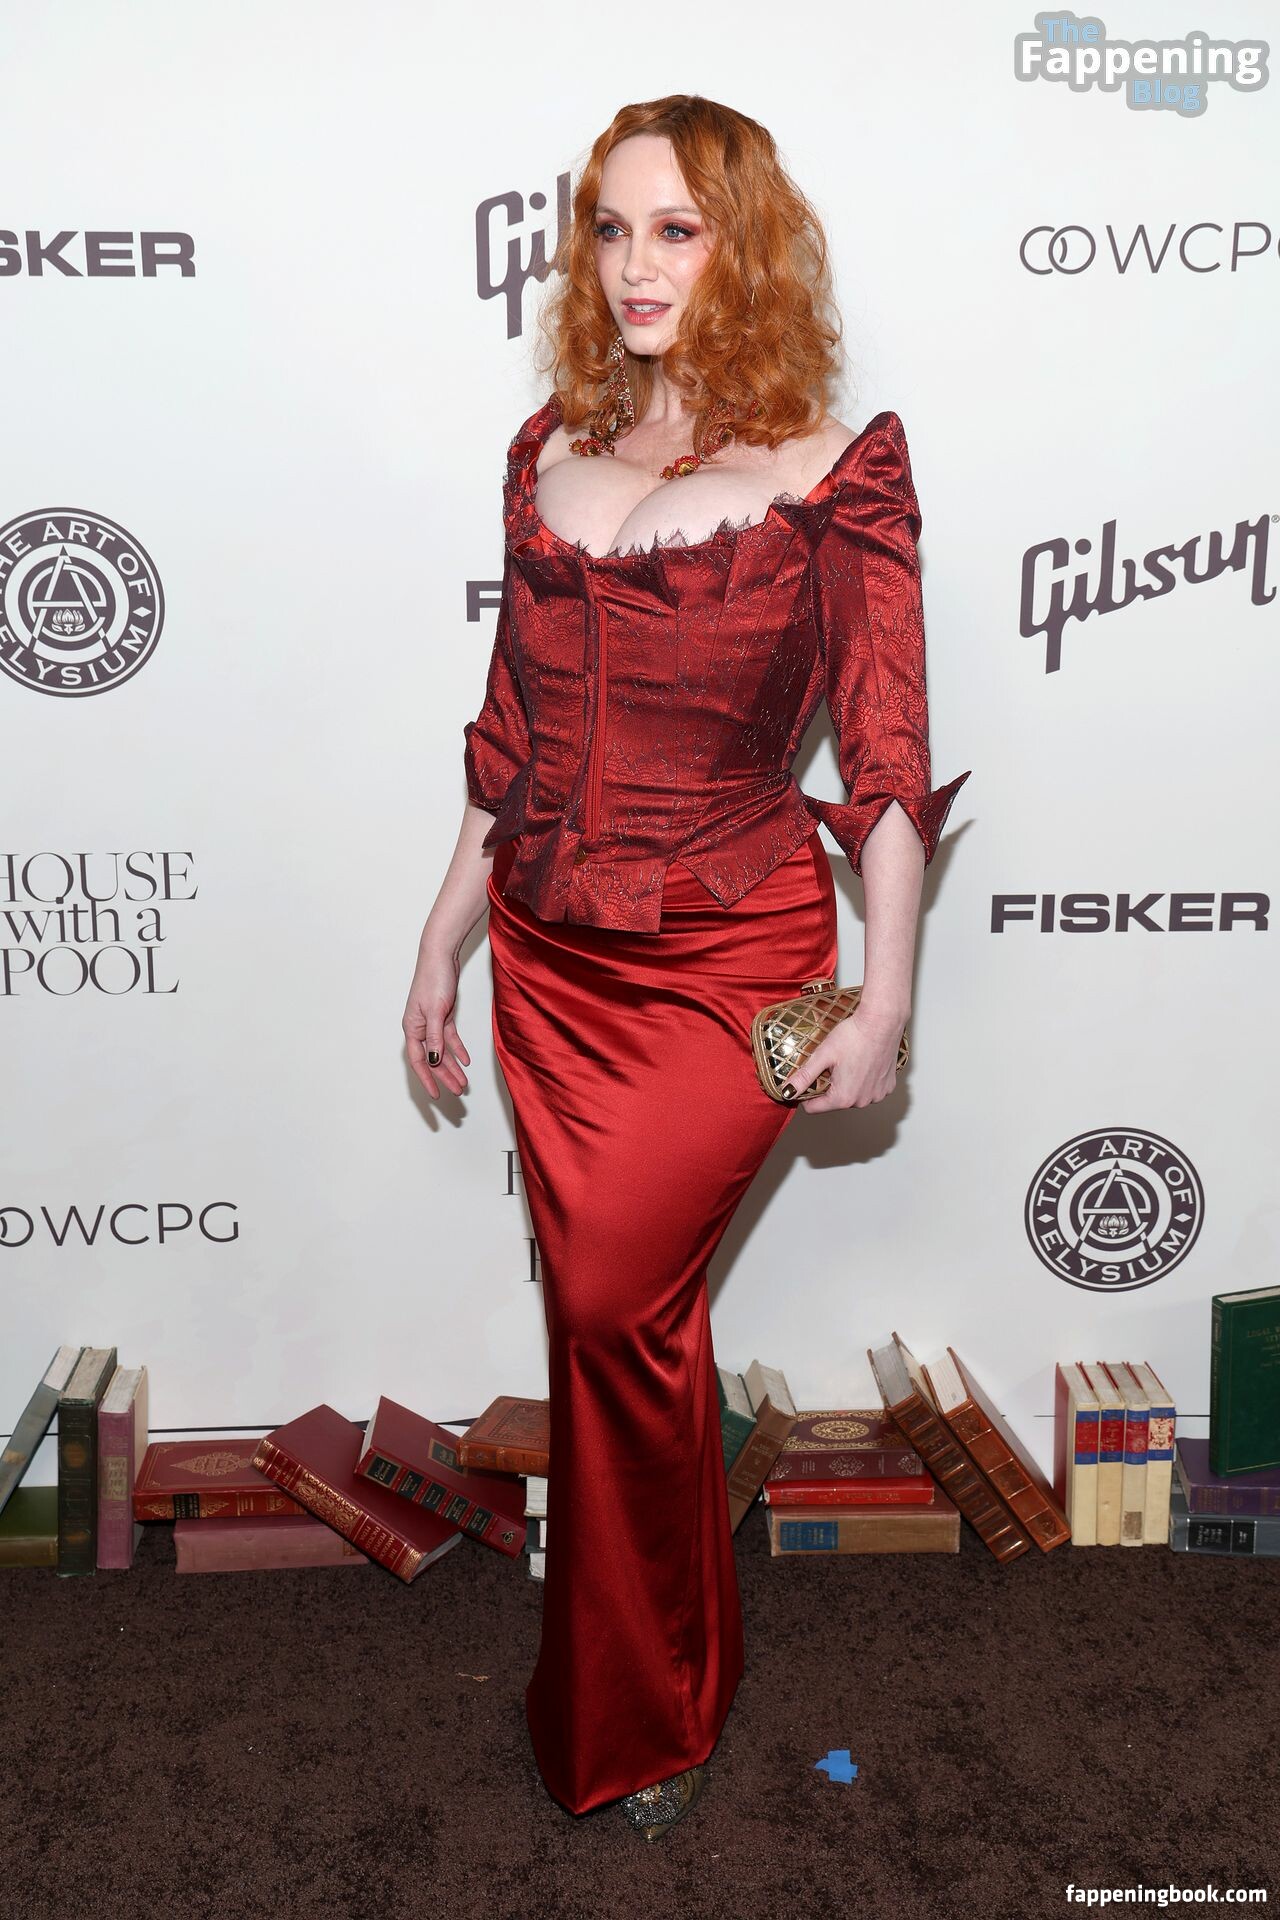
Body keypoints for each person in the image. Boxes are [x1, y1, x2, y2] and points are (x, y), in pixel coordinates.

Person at [403, 94, 970, 1839]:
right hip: (550, 958)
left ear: (748, 248)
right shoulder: (547, 449)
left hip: (730, 961)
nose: (634, 267)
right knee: (630, 1333)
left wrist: (886, 997)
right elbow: (511, 741)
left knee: (610, 1318)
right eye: (610, 229)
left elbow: (886, 750)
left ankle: (638, 1713)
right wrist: (438, 944)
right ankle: (669, 1669)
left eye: (677, 230)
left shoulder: (832, 468)